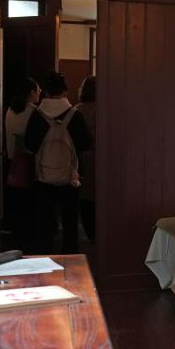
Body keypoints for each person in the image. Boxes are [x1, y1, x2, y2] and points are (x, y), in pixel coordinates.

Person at [24, 72, 93, 254]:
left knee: (44, 221)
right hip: (70, 177)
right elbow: (86, 143)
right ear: (65, 91)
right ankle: (70, 257)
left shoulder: (37, 115)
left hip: (43, 177)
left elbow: (29, 144)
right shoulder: (75, 115)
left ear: (46, 92)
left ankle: (44, 255)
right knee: (70, 221)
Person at [4, 77, 39, 251]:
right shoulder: (34, 111)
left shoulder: (10, 110)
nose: (39, 93)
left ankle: (16, 239)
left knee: (16, 203)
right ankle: (28, 241)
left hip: (12, 161)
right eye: (38, 90)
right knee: (28, 204)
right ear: (31, 92)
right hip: (27, 161)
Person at [76, 76, 96, 243]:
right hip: (99, 157)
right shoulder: (103, 108)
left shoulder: (76, 110)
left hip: (80, 157)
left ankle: (90, 233)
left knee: (84, 195)